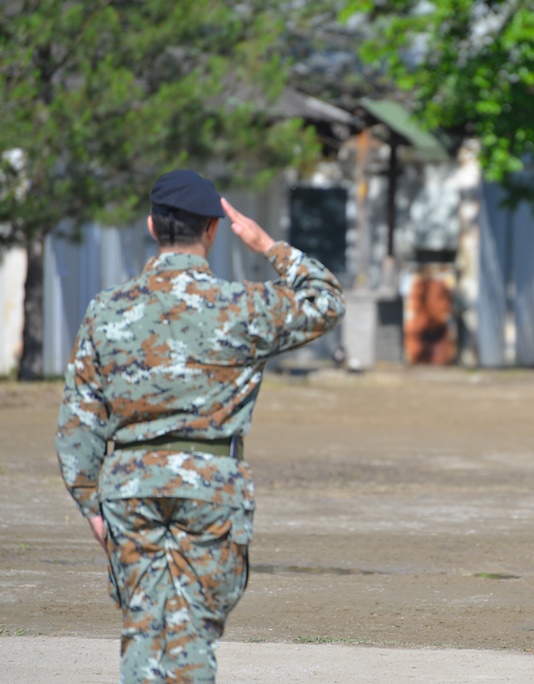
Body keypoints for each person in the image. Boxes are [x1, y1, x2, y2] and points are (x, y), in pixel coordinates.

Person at [54, 169, 345, 683]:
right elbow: (326, 300)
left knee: (143, 628)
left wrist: (92, 508)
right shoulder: (242, 306)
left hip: (129, 489)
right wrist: (269, 246)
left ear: (152, 226)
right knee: (191, 632)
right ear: (213, 229)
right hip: (210, 488)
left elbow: (78, 424)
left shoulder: (106, 310)